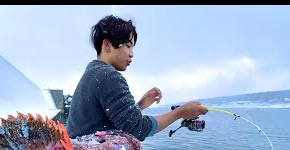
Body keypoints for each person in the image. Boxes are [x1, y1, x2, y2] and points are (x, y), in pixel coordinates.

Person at [66, 14, 208, 141]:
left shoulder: (93, 71)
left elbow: (112, 120)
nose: (131, 54)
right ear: (107, 45)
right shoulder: (108, 76)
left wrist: (141, 105)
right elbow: (137, 128)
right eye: (128, 46)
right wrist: (180, 112)